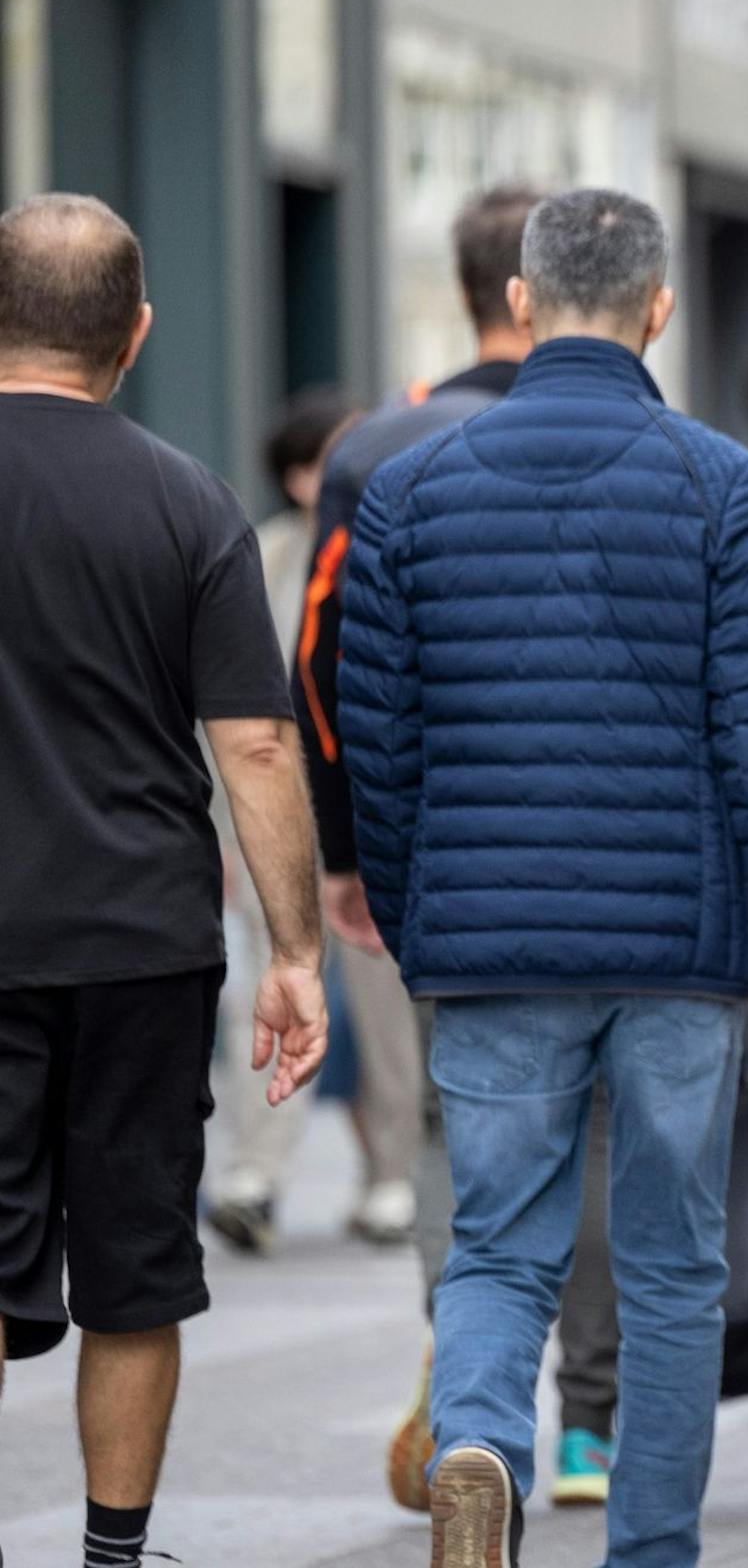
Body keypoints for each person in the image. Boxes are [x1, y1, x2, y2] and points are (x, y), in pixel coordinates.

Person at [338, 188, 748, 1568]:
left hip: (491, 944)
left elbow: (377, 737)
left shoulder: (411, 492)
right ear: (659, 309)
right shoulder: (725, 487)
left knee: (498, 1247)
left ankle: (481, 1439)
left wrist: (406, 903)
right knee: (674, 1272)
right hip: (680, 955)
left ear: (514, 304)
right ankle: (649, 1550)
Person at [0, 194, 327, 1568]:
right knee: (137, 1269)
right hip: (143, 940)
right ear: (132, 334)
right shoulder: (188, 500)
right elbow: (253, 743)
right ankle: (113, 1555)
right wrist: (298, 955)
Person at [288, 183, 624, 1511]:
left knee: (452, 1119)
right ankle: (594, 1428)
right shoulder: (643, 431)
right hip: (617, 857)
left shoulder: (380, 447)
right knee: (599, 1128)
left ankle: (471, 1382)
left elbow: (326, 666)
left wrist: (346, 850)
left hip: (445, 859)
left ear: (479, 282)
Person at [209, 388, 412, 1258]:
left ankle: (394, 1176)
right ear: (298, 477)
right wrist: (221, 838)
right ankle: (255, 1175)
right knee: (266, 993)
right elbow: (223, 718)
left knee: (387, 1003)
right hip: (275, 820)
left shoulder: (395, 537)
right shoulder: (258, 557)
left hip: (372, 820)